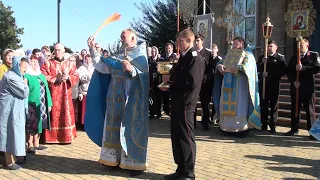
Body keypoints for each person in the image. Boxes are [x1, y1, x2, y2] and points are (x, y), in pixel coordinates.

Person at [85, 29, 149, 176]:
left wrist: (132, 69)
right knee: (113, 126)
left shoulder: (140, 55)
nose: (121, 38)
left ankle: (132, 161)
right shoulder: (118, 55)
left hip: (131, 98)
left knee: (129, 127)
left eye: (123, 36)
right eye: (120, 36)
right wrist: (93, 48)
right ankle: (113, 159)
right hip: (114, 97)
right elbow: (102, 66)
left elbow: (145, 77)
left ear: (133, 38)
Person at [160, 29, 205, 180]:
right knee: (177, 137)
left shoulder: (195, 57)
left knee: (186, 137)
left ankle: (189, 172)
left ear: (189, 40)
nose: (177, 43)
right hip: (177, 102)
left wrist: (171, 81)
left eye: (180, 41)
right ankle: (180, 169)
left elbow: (191, 82)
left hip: (186, 103)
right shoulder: (184, 57)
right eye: (177, 41)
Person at [214, 37, 261, 137]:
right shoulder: (230, 53)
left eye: (236, 43)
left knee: (240, 105)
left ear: (242, 43)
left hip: (240, 85)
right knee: (225, 104)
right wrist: (219, 67)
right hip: (227, 83)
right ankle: (225, 127)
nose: (234, 46)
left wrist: (238, 68)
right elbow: (221, 62)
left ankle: (240, 129)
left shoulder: (248, 54)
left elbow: (249, 67)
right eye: (233, 44)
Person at [41, 43, 79, 144]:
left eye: (59, 50)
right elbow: (43, 76)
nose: (57, 52)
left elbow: (75, 75)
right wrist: (56, 79)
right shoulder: (48, 63)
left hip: (66, 93)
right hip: (53, 93)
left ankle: (66, 137)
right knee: (53, 114)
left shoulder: (70, 63)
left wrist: (68, 78)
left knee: (66, 113)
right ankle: (51, 137)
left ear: (63, 51)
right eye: (56, 50)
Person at [286, 38, 320, 138]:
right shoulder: (294, 57)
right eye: (298, 45)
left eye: (302, 45)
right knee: (295, 108)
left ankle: (312, 132)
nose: (300, 47)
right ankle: (294, 129)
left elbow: (317, 68)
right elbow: (289, 72)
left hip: (308, 87)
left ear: (307, 45)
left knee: (309, 110)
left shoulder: (313, 55)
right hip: (296, 87)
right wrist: (293, 81)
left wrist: (303, 68)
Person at [0, 56, 29, 170]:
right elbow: (24, 92)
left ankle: (14, 158)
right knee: (9, 133)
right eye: (23, 67)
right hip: (9, 110)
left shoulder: (15, 75)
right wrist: (25, 83)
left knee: (14, 133)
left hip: (14, 110)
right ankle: (9, 162)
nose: (25, 70)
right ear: (17, 66)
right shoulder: (11, 77)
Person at [257, 40, 287, 133]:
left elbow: (284, 71)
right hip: (264, 85)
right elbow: (256, 69)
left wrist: (270, 74)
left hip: (274, 84)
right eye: (268, 46)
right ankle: (263, 124)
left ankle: (273, 125)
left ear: (276, 47)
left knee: (274, 105)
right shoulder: (263, 57)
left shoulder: (280, 58)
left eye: (271, 46)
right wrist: (261, 63)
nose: (269, 48)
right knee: (263, 105)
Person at [25, 55, 53, 153]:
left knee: (39, 122)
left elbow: (47, 91)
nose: (35, 64)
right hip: (31, 104)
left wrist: (49, 103)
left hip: (42, 104)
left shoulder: (41, 75)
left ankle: (37, 143)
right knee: (31, 124)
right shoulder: (27, 75)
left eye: (36, 62)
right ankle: (30, 144)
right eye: (32, 62)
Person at [194, 34, 216, 130]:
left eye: (198, 40)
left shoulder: (208, 53)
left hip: (205, 83)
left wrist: (205, 77)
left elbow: (211, 68)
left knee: (205, 103)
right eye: (195, 41)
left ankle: (205, 122)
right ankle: (193, 123)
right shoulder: (192, 52)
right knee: (193, 103)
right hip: (194, 83)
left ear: (202, 41)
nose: (196, 42)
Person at [77, 54, 94, 127]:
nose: (88, 61)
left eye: (89, 59)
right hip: (84, 91)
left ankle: (90, 123)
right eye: (86, 59)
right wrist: (88, 76)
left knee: (91, 109)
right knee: (84, 110)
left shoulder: (94, 68)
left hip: (92, 90)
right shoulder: (81, 68)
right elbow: (80, 79)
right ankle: (83, 125)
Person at [148, 46, 162, 119]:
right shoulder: (148, 60)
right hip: (150, 81)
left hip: (158, 81)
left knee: (158, 98)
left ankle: (158, 113)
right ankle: (152, 113)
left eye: (154, 51)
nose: (153, 53)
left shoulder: (160, 60)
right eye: (152, 51)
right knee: (151, 98)